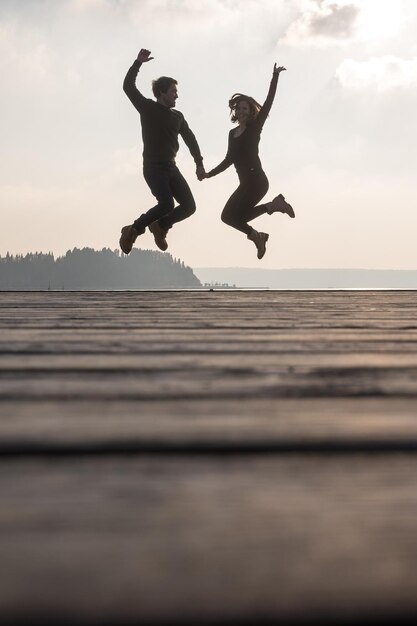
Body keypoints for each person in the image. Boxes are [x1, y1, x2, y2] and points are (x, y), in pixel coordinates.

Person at [202, 63, 294, 260]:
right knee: (228, 217)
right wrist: (209, 174)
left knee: (234, 217)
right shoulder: (231, 134)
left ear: (251, 111)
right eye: (239, 108)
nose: (242, 111)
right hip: (245, 183)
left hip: (257, 181)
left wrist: (275, 76)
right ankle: (263, 227)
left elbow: (269, 102)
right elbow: (229, 160)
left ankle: (266, 221)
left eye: (245, 108)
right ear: (235, 111)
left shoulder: (254, 128)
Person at [120, 48, 205, 254]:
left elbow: (190, 138)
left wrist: (199, 163)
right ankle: (133, 230)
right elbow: (128, 87)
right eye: (174, 91)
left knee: (189, 206)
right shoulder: (148, 108)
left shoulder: (178, 116)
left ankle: (160, 226)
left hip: (171, 168)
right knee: (166, 203)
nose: (177, 95)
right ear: (162, 92)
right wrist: (138, 63)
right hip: (153, 168)